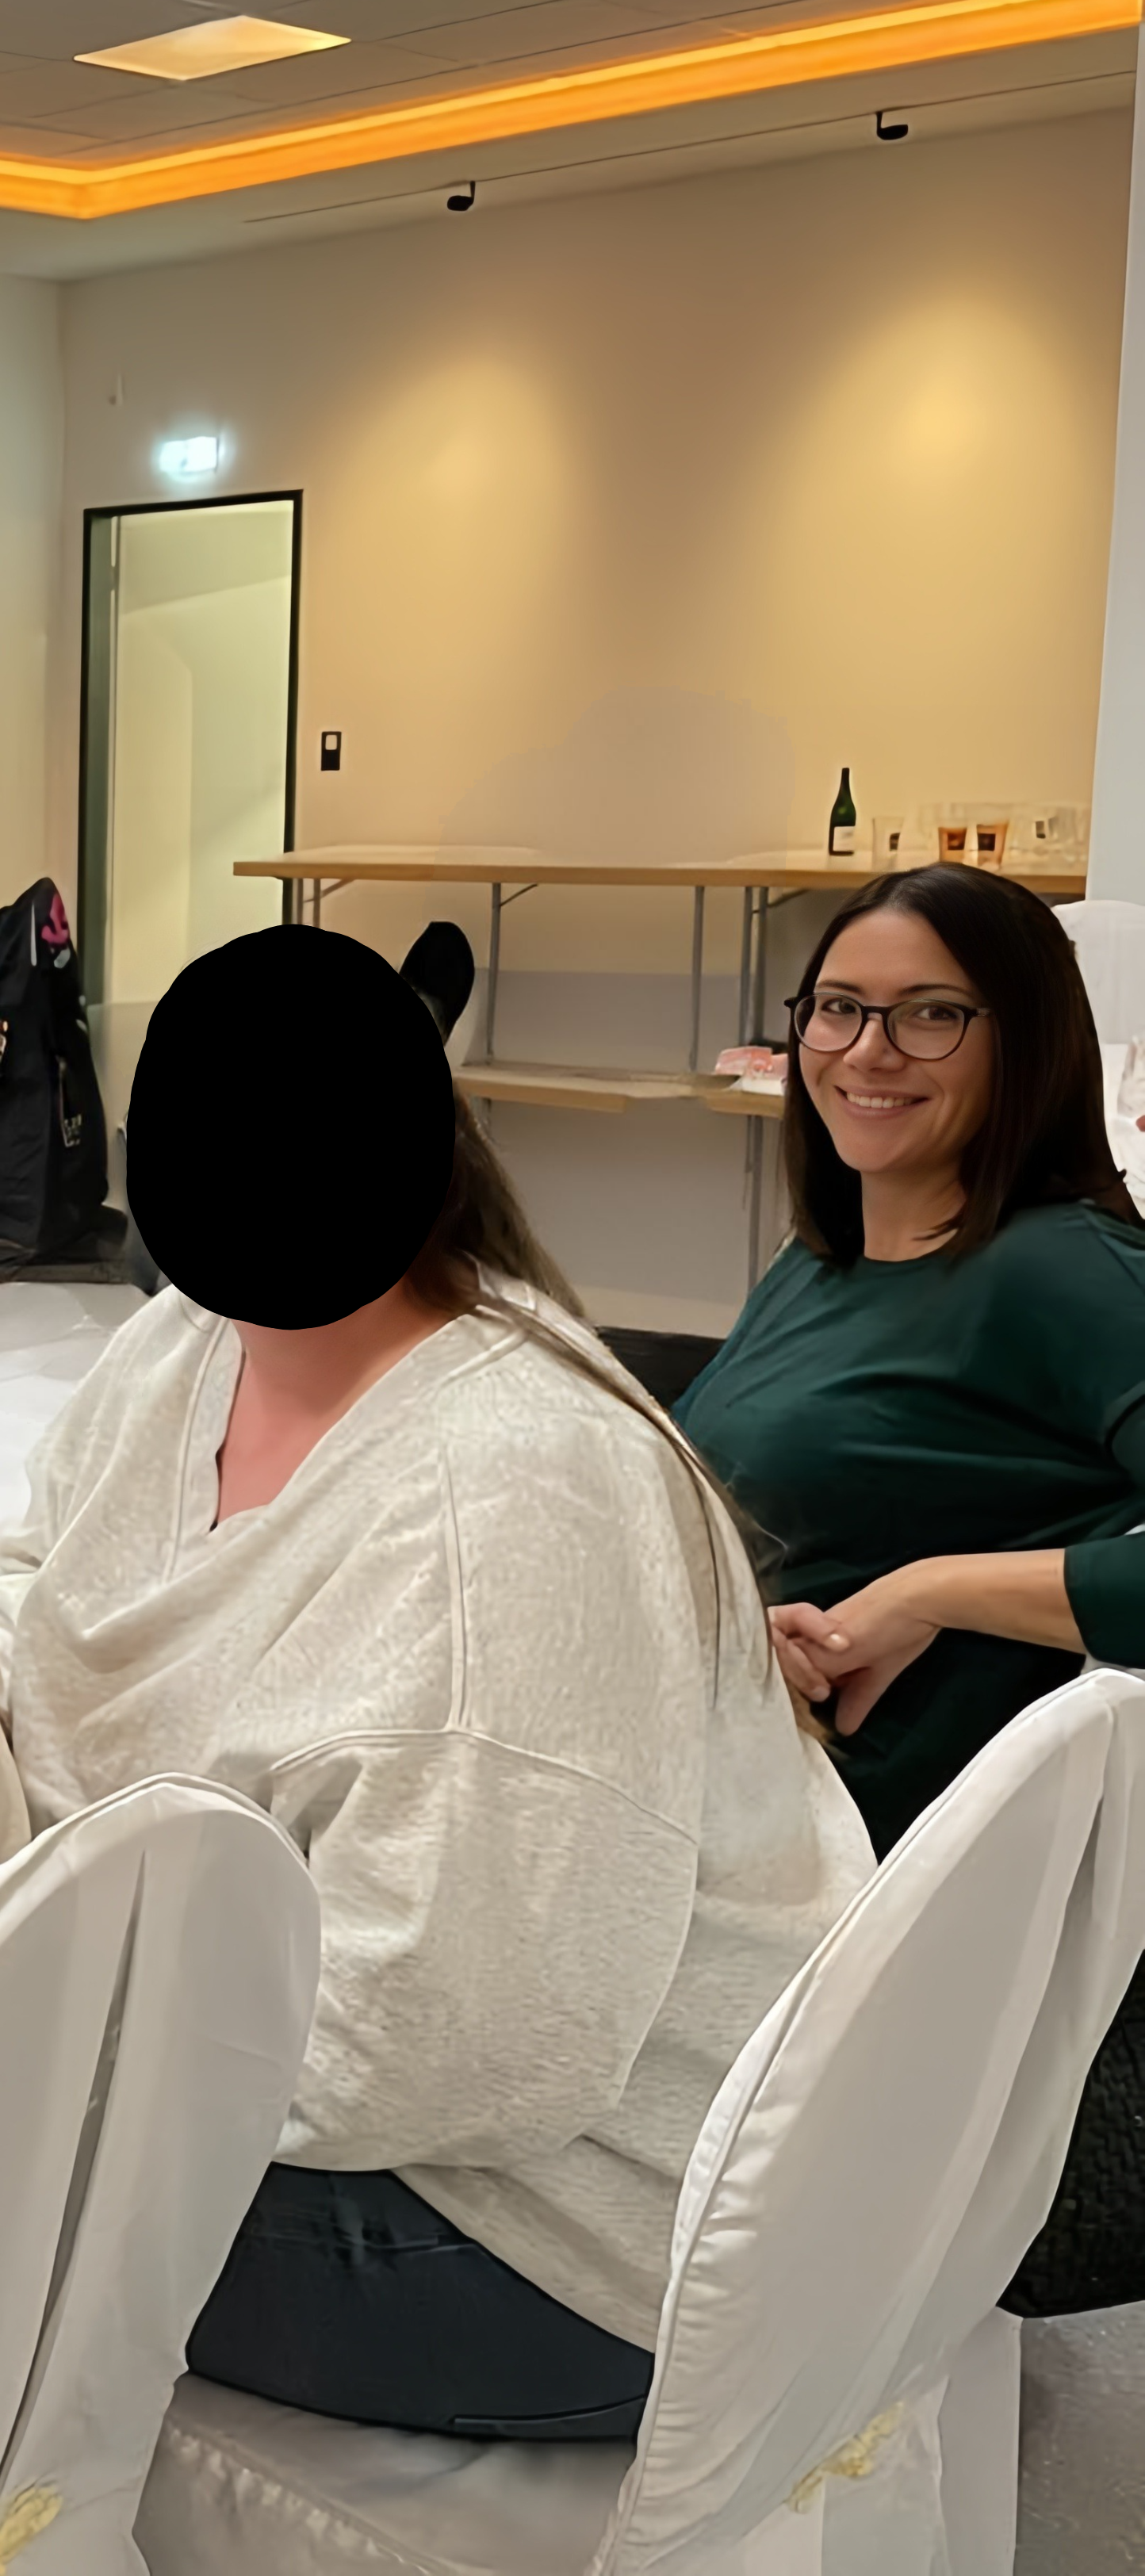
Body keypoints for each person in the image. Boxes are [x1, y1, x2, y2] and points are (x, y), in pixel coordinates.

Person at [0, 925, 872, 2440]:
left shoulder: (515, 1500)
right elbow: (42, 1576)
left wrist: (63, 2019)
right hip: (311, 2064)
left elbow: (459, 2049)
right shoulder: (190, 1345)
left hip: (561, 2222)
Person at [675, 860, 1145, 2313]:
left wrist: (933, 1591)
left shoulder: (1062, 1271)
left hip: (844, 1896)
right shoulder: (822, 1261)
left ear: (1027, 1042)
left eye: (931, 1014)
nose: (867, 1052)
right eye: (838, 1008)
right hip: (734, 1815)